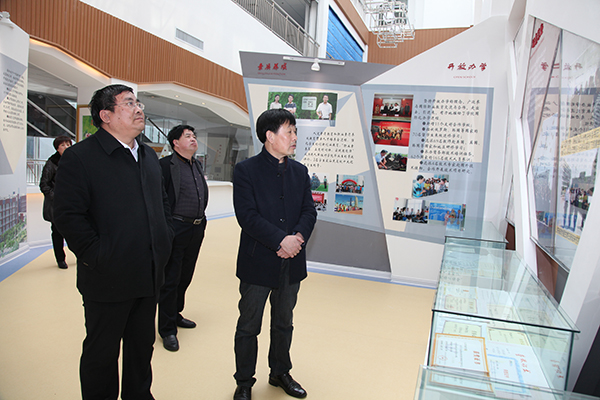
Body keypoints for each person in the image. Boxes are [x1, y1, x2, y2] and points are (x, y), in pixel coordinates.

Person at [53, 84, 174, 400]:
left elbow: (161, 202)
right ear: (105, 116)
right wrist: (99, 255)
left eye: (138, 103)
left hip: (148, 273)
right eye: (129, 103)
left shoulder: (147, 155)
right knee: (102, 353)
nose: (139, 109)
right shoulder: (81, 157)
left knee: (142, 347)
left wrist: (164, 239)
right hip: (107, 278)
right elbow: (67, 216)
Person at [232, 108, 317, 400]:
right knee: (248, 326)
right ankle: (244, 381)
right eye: (289, 131)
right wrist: (281, 240)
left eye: (295, 131)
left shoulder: (300, 172)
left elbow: (309, 211)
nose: (294, 137)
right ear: (269, 136)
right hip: (258, 261)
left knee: (283, 323)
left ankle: (280, 372)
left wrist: (298, 239)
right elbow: (247, 216)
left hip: (291, 263)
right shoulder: (246, 171)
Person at [158, 125, 209, 352]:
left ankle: (175, 313)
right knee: (171, 278)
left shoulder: (196, 164)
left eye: (194, 136)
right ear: (175, 143)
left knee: (185, 275)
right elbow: (159, 199)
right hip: (176, 227)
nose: (193, 139)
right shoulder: (165, 166)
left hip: (196, 228)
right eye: (187, 136)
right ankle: (167, 329)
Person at [39, 135, 72, 269]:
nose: (66, 147)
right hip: (56, 205)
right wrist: (57, 197)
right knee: (58, 233)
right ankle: (60, 259)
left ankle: (82, 255)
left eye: (68, 144)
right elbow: (44, 185)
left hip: (72, 203)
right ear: (57, 148)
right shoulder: (51, 163)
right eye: (63, 145)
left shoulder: (74, 161)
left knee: (74, 230)